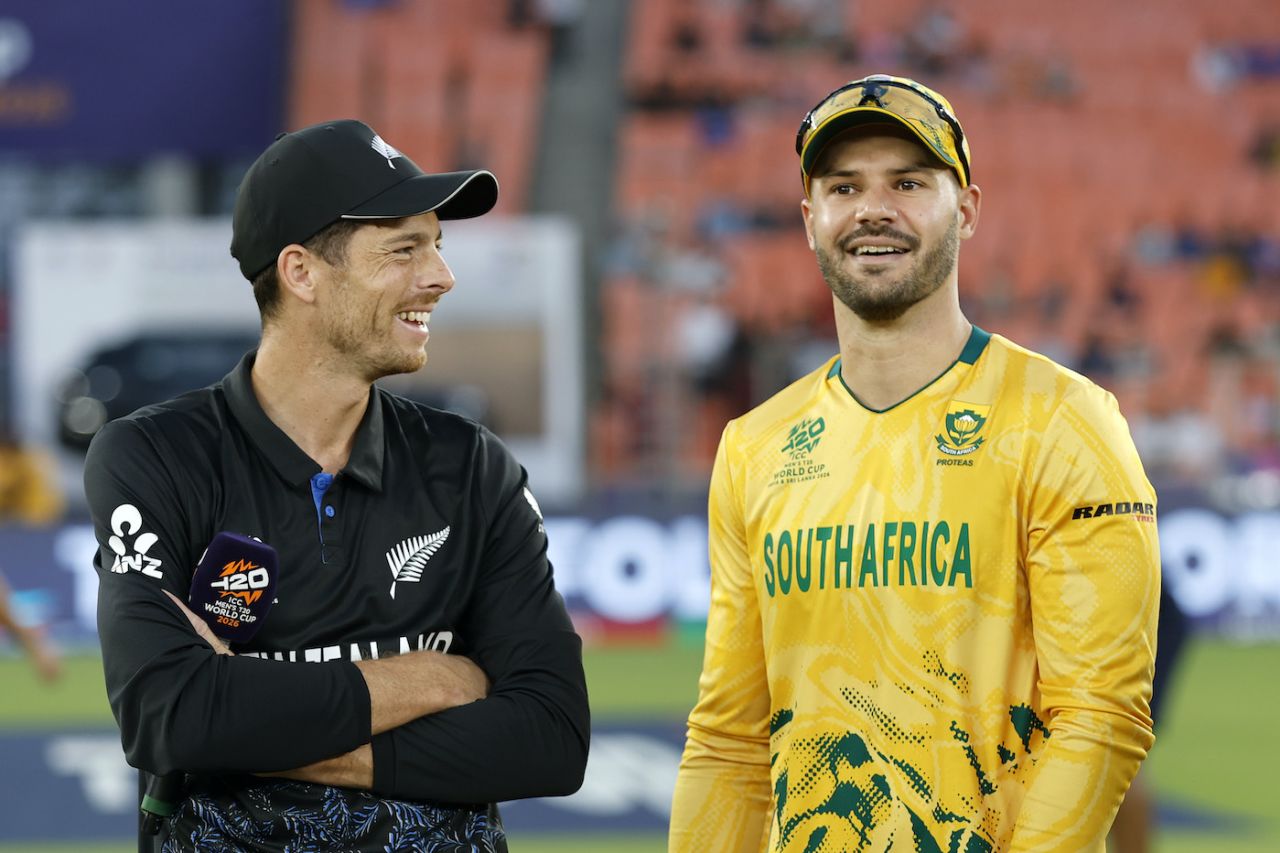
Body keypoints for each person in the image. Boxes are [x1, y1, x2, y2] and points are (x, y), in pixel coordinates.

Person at [669, 74, 1160, 852]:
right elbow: (729, 740)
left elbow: (1103, 715)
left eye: (908, 182)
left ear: (965, 209)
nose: (872, 208)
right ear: (809, 219)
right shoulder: (754, 447)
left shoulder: (1064, 420)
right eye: (843, 186)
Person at [83, 119, 589, 852]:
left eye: (438, 244)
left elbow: (551, 735)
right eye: (404, 248)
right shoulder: (154, 455)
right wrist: (432, 680)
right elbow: (169, 714)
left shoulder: (471, 466)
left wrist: (251, 731)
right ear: (301, 272)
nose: (441, 275)